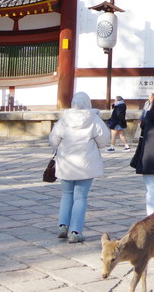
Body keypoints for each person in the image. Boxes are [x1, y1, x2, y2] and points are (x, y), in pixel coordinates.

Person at [48, 91, 108, 244]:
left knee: (66, 194)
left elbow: (54, 140)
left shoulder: (64, 119)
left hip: (66, 163)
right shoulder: (94, 119)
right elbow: (104, 140)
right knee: (80, 197)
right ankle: (75, 231)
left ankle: (63, 225)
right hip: (86, 164)